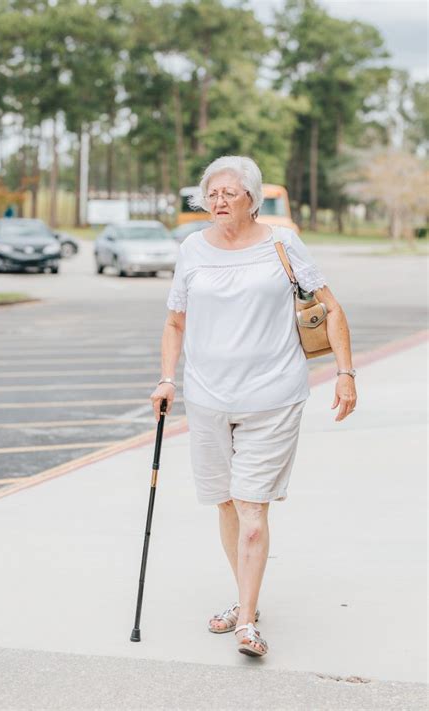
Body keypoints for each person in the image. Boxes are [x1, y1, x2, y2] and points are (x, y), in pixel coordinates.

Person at [150, 156, 357, 657]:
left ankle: (246, 621)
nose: (218, 202)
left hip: (273, 395)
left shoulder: (282, 244)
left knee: (252, 508)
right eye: (211, 194)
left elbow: (330, 307)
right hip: (206, 397)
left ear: (252, 198)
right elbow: (175, 322)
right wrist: (166, 379)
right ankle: (247, 599)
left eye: (229, 193)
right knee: (225, 501)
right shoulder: (192, 249)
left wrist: (346, 373)